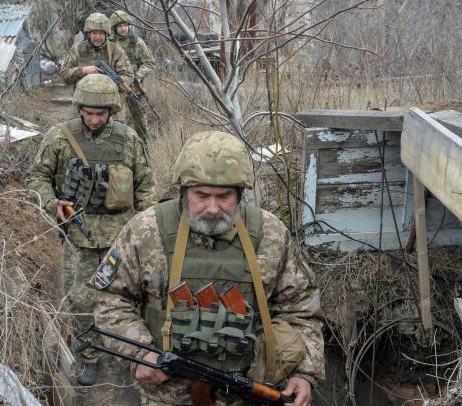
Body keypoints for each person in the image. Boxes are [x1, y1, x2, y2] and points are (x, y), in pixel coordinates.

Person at [92, 131, 325, 406]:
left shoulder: (270, 234)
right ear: (184, 191)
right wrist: (139, 352)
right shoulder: (147, 231)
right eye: (201, 195)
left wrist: (303, 371)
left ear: (240, 193)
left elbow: (301, 308)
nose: (212, 208)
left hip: (252, 390)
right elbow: (110, 297)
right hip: (168, 396)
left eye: (224, 196)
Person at [26, 74, 156, 387]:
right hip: (77, 234)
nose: (95, 119)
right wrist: (50, 202)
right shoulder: (60, 137)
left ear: (112, 111)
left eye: (101, 113)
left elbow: (146, 188)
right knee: (81, 301)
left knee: (128, 299)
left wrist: (148, 231)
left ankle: (132, 355)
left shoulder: (127, 139)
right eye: (89, 112)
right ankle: (88, 354)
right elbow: (36, 177)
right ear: (80, 108)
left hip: (122, 237)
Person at [60, 12, 133, 120]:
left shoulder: (116, 50)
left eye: (101, 33)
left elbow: (128, 76)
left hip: (111, 108)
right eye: (94, 33)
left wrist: (107, 81)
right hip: (84, 107)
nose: (98, 37)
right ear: (88, 33)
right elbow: (64, 74)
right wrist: (83, 70)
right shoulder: (77, 49)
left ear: (106, 34)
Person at [109, 10, 156, 139]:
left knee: (140, 119)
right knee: (118, 120)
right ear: (114, 27)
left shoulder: (137, 42)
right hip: (117, 89)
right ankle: (119, 144)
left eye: (125, 25)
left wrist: (139, 75)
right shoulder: (109, 44)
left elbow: (150, 63)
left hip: (135, 87)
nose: (123, 28)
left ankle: (143, 143)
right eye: (119, 26)